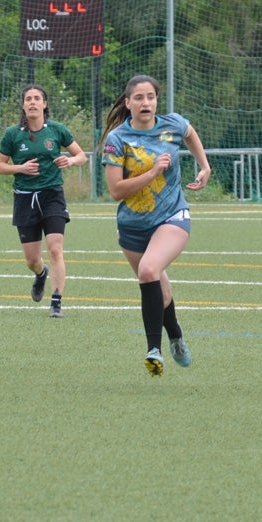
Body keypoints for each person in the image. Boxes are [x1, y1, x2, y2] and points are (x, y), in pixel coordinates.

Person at [101, 75, 211, 376]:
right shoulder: (117, 140)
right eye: (138, 98)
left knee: (148, 271)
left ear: (156, 101)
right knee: (159, 290)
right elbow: (116, 191)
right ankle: (175, 335)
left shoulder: (172, 124)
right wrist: (152, 173)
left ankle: (154, 351)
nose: (145, 102)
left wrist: (204, 166)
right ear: (128, 103)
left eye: (150, 96)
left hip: (172, 216)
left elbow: (189, 133)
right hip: (132, 226)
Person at [0, 84, 88, 318]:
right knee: (32, 260)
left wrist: (71, 161)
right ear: (23, 105)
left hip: (52, 195)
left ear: (44, 104)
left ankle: (56, 301)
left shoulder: (57, 130)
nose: (33, 102)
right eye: (28, 99)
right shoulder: (12, 134)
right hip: (25, 198)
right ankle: (40, 273)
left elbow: (81, 156)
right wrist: (20, 168)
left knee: (55, 249)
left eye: (37, 98)